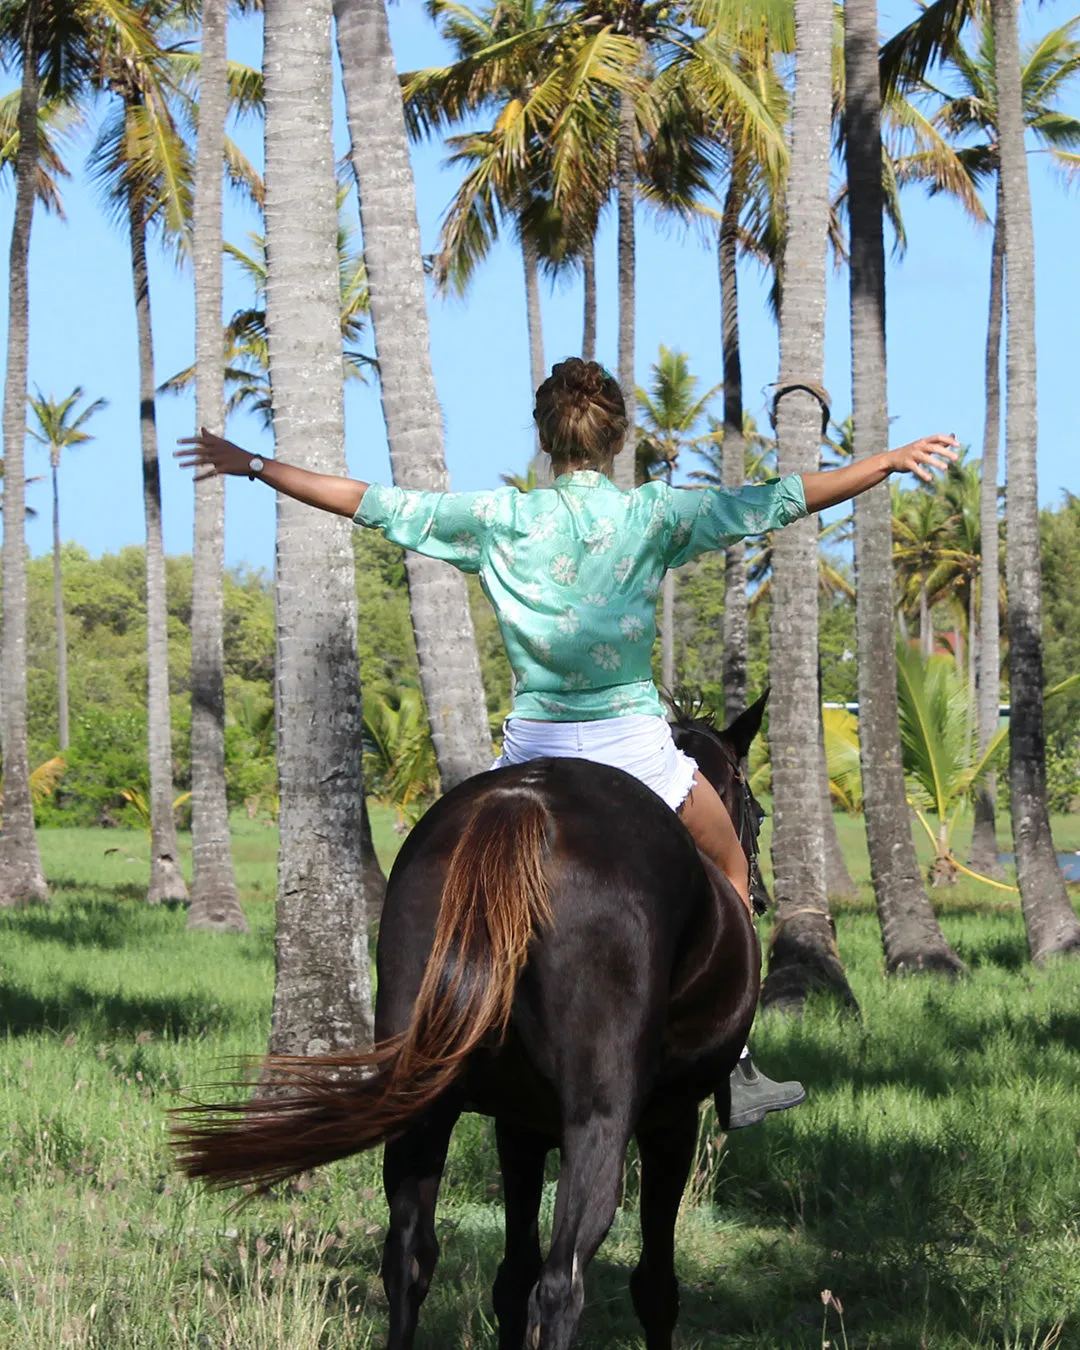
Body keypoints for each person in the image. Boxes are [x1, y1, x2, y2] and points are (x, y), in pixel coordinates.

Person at [177, 358, 958, 1127]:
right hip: (635, 751)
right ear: (617, 441)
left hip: (532, 751)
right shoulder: (653, 515)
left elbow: (367, 503)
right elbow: (779, 501)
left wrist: (250, 464)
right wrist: (885, 462)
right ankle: (738, 1066)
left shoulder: (501, 519)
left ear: (546, 442)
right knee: (729, 867)